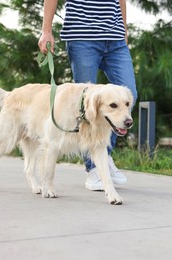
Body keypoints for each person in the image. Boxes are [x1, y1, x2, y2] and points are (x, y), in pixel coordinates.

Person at [38, 0, 138, 191]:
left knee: (128, 94)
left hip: (115, 38)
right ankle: (94, 168)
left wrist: (123, 28)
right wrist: (46, 30)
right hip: (83, 37)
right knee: (86, 106)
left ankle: (104, 156)